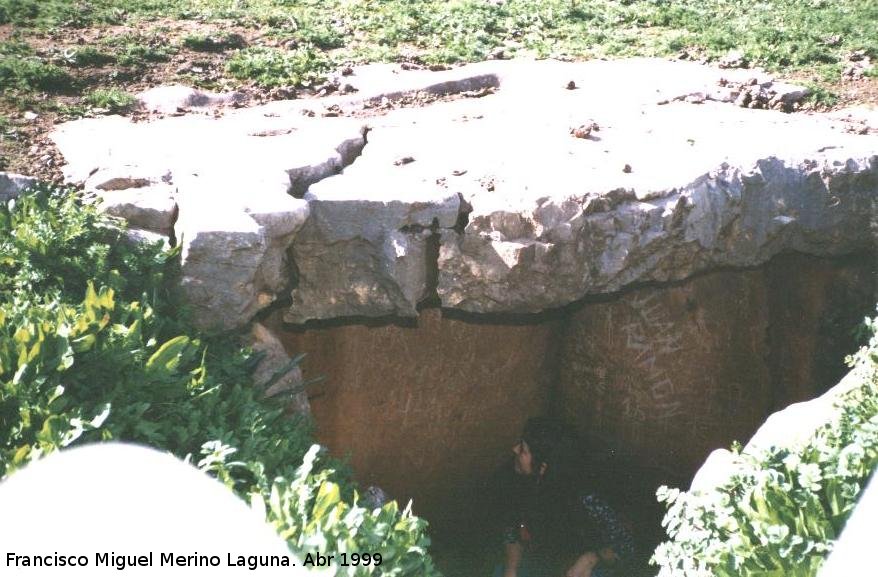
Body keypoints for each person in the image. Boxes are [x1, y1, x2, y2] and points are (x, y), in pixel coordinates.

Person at [493, 418, 635, 577]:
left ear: (543, 467)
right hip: (546, 560)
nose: (514, 449)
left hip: (585, 564)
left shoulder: (585, 497)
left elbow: (625, 545)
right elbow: (513, 530)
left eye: (523, 450)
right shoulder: (516, 480)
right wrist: (511, 568)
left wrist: (592, 558)